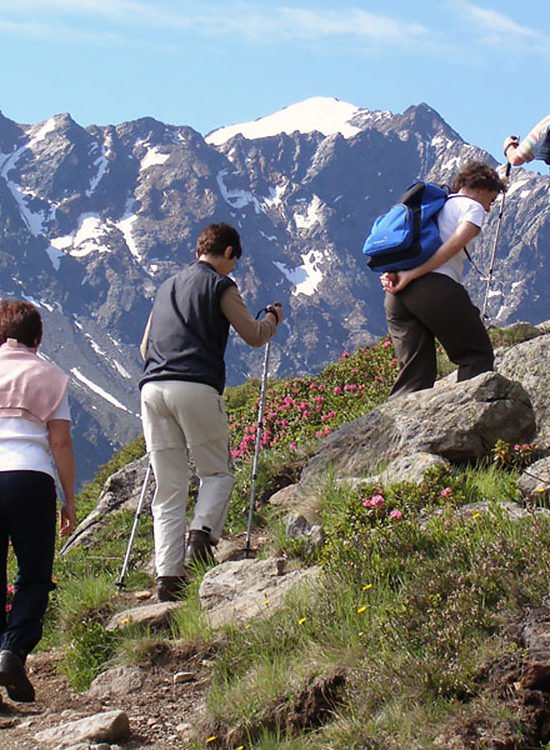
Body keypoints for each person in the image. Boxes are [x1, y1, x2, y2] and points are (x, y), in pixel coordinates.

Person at [140, 222, 283, 602]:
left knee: (168, 487)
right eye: (234, 260)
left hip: (152, 387)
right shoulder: (221, 285)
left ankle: (168, 577)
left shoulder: (166, 287)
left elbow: (144, 348)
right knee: (216, 472)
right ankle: (201, 537)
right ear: (229, 253)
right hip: (196, 386)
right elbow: (253, 335)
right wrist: (272, 318)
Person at [0, 300, 76, 703]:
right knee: (33, 575)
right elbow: (60, 441)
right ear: (37, 338)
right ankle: (12, 649)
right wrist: (69, 500)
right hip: (32, 478)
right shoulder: (51, 377)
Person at [382, 161, 507, 398]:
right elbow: (455, 243)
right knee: (476, 356)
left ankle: (390, 433)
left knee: (414, 377)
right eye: (491, 201)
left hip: (396, 296)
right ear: (482, 188)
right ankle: (470, 424)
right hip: (434, 288)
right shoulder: (472, 206)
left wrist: (401, 275)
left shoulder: (432, 207)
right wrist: (414, 275)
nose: (489, 209)